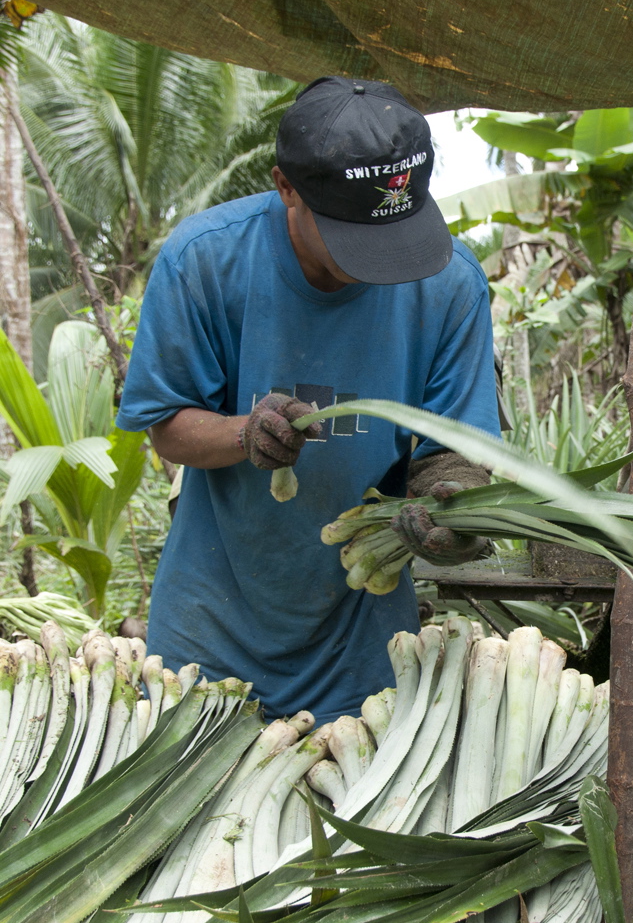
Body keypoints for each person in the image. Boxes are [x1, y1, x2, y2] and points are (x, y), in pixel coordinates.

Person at [117, 76, 497, 723]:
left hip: (364, 634)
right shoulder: (205, 260)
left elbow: (453, 451)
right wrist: (246, 433)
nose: (383, 263)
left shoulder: (449, 286)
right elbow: (168, 429)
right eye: (356, 238)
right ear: (286, 187)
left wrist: (456, 506)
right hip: (211, 623)